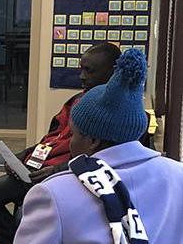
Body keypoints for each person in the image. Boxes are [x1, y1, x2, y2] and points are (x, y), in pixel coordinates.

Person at [15, 48, 183, 243]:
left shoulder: (54, 193)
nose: (70, 142)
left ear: (92, 141)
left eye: (74, 135)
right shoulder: (178, 176)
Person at [0, 42, 121, 244]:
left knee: (24, 217)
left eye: (89, 71)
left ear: (112, 71)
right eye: (81, 69)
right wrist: (22, 156)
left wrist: (58, 169)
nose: (82, 77)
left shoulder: (114, 113)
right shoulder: (76, 101)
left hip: (63, 177)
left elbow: (105, 160)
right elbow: (51, 139)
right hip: (34, 170)